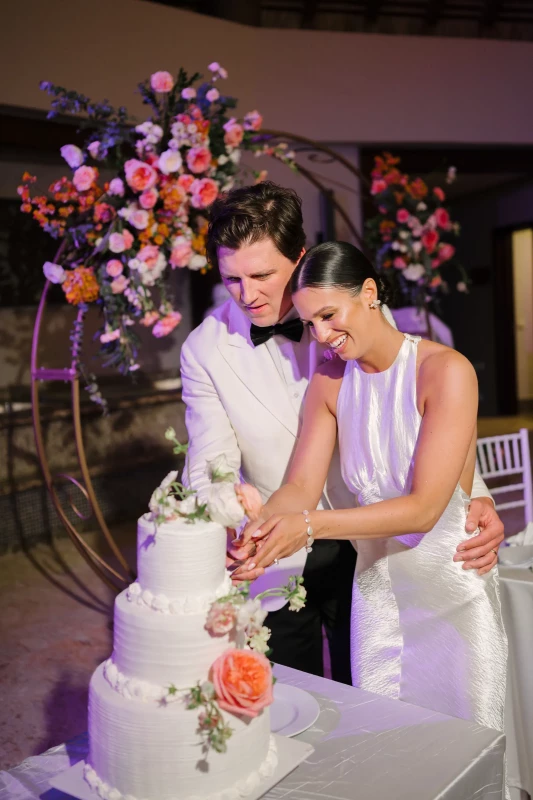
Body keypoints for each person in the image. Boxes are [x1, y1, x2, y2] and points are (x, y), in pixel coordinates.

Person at [180, 182, 504, 685]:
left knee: (391, 687)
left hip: (379, 544)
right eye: (232, 279)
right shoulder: (204, 349)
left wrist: (472, 496)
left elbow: (420, 408)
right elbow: (209, 463)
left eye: (262, 275)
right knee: (294, 697)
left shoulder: (354, 305)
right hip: (281, 545)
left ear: (300, 258)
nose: (248, 295)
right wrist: (240, 528)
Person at [235, 240, 507, 735]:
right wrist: (262, 530)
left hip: (451, 597)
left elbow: (424, 510)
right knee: (388, 745)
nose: (321, 335)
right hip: (378, 596)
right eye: (309, 323)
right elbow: (300, 485)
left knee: (464, 747)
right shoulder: (329, 381)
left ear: (368, 293)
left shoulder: (446, 371)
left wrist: (309, 526)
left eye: (328, 315)